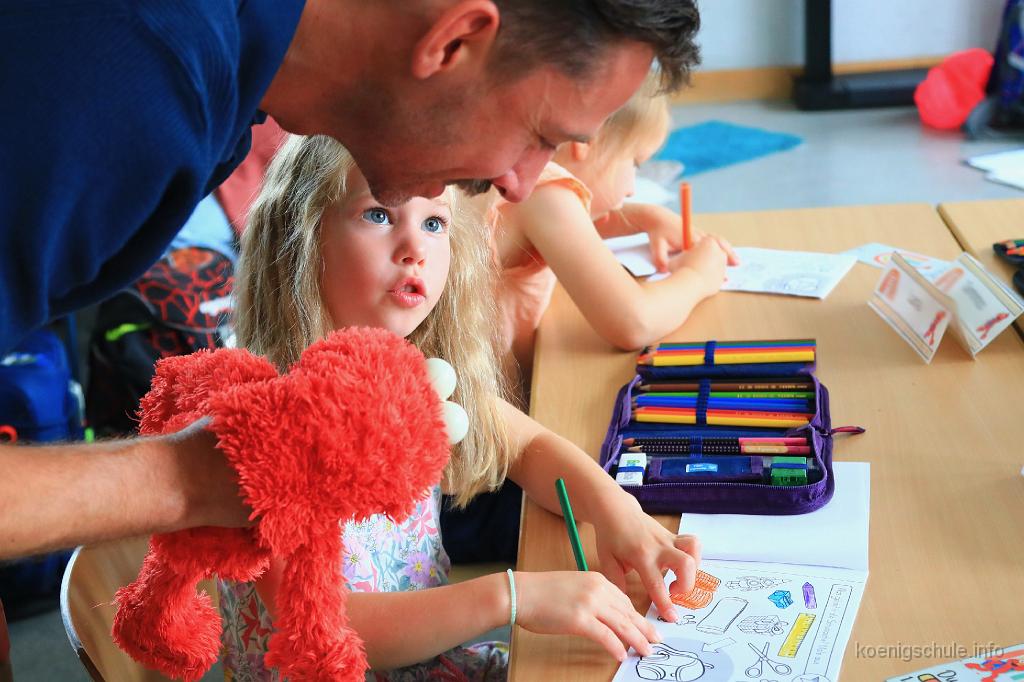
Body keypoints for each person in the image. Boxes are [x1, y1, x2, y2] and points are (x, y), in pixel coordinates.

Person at [0, 0, 700, 560]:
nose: (520, 184)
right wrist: (204, 476)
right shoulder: (128, 86)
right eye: (541, 136)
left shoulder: (225, 81)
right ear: (454, 42)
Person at [219, 135, 702, 679]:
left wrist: (619, 513)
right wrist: (511, 597)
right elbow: (322, 627)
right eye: (378, 214)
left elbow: (525, 444)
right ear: (300, 239)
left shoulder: (410, 365)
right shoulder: (263, 423)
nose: (415, 248)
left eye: (434, 222)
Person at [492, 74, 739, 386]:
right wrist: (698, 276)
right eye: (635, 163)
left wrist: (644, 217)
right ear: (586, 140)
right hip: (498, 393)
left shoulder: (520, 172)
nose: (633, 188)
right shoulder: (545, 195)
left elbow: (573, 229)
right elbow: (634, 323)